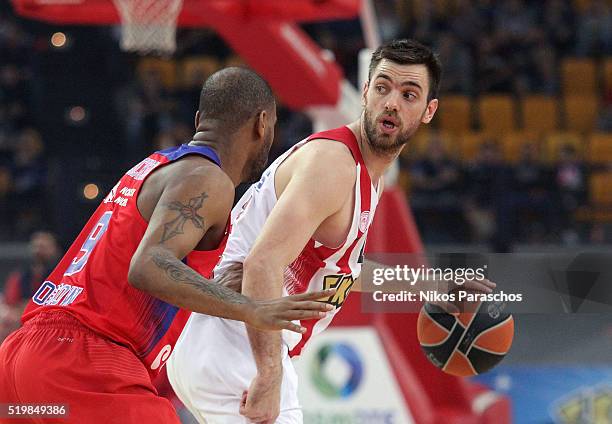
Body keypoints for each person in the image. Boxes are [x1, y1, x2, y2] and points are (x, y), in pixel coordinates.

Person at [168, 39, 496, 424]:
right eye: (382, 87)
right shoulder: (334, 164)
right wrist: (270, 375)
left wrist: (437, 288)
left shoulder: (362, 177)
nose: (392, 102)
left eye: (409, 94)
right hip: (235, 345)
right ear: (366, 93)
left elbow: (342, 276)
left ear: (428, 111)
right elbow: (262, 263)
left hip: (222, 343)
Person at [0, 67, 335, 424]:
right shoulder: (209, 179)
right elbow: (148, 265)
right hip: (83, 363)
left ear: (198, 120)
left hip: (23, 363)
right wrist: (251, 308)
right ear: (262, 123)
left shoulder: (154, 166)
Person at [0, 231, 60, 342]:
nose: (38, 251)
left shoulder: (63, 276)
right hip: (24, 321)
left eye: (43, 247)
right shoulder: (19, 276)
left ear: (54, 249)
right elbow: (11, 303)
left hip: (52, 324)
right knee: (6, 320)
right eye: (36, 246)